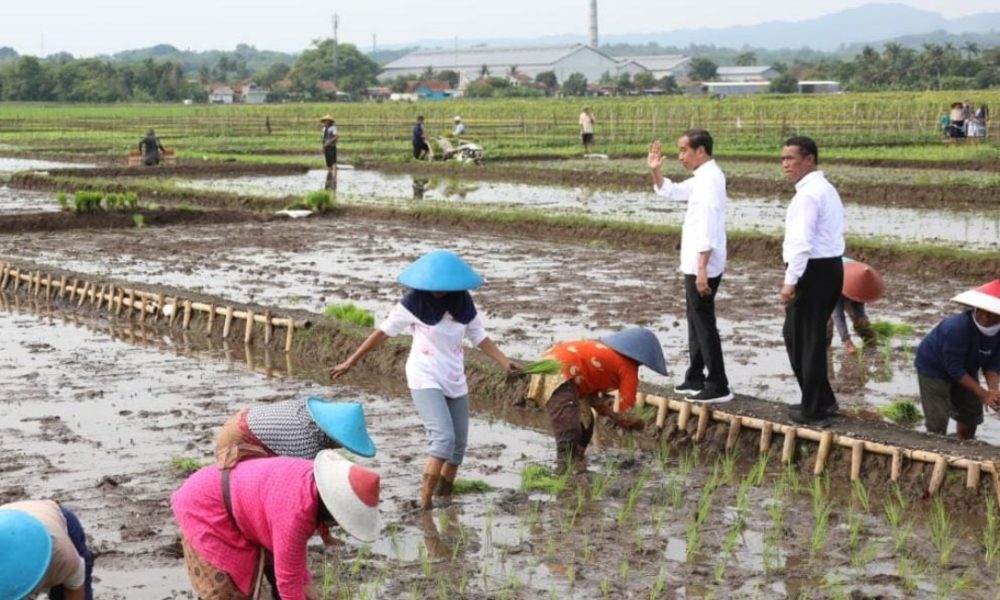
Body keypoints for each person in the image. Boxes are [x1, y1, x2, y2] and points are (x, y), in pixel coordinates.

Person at [329, 250, 517, 510]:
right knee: (443, 439)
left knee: (458, 446)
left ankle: (444, 498)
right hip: (424, 375)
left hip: (454, 376)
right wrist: (351, 361)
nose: (438, 290)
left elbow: (479, 336)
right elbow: (383, 332)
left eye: (444, 286)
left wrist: (504, 361)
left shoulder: (463, 303)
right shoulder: (413, 303)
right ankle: (425, 505)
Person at [172, 450, 380, 600]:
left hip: (242, 506)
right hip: (205, 505)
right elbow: (288, 584)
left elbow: (293, 559)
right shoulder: (296, 511)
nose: (337, 525)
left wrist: (308, 587)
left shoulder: (312, 484)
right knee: (227, 590)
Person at [648, 129, 732, 403]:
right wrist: (655, 172)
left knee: (704, 323)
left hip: (702, 264)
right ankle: (695, 377)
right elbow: (672, 191)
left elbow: (708, 226)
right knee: (696, 320)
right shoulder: (703, 177)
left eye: (684, 150)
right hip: (696, 263)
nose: (680, 156)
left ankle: (718, 383)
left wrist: (703, 268)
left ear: (701, 151)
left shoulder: (710, 181)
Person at [528, 327, 668, 470]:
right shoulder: (628, 369)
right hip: (560, 371)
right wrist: (633, 422)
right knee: (568, 426)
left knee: (586, 422)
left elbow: (593, 398)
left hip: (552, 363)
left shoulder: (604, 354)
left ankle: (576, 459)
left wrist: (610, 414)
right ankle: (564, 468)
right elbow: (626, 411)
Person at [779, 136, 845, 427]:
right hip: (828, 269)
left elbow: (802, 243)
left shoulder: (808, 194)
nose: (785, 165)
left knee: (804, 340)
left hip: (813, 271)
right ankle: (821, 399)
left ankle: (814, 408)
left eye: (791, 159)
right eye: (783, 159)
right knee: (806, 337)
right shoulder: (824, 188)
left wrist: (790, 281)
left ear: (810, 160)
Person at [915, 280, 1000, 440]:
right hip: (934, 367)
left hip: (967, 367)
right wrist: (983, 394)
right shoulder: (957, 328)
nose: (986, 315)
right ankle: (935, 449)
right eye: (981, 310)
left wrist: (993, 391)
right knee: (937, 420)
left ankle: (964, 444)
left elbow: (993, 363)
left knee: (971, 413)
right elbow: (954, 368)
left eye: (992, 312)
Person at [215, 398, 376, 469]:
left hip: (242, 420)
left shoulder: (310, 416)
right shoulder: (306, 440)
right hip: (238, 440)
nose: (338, 447)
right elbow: (302, 479)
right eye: (341, 443)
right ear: (332, 436)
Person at [0, 500, 94, 600]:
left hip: (55, 521)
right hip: (11, 519)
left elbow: (75, 588)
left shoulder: (61, 556)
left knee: (61, 595)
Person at [827, 259, 883, 354]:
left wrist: (861, 318)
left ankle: (871, 344)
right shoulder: (834, 283)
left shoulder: (863, 275)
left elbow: (860, 312)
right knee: (827, 321)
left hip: (852, 282)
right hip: (829, 284)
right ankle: (824, 347)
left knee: (860, 319)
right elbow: (838, 316)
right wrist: (847, 342)